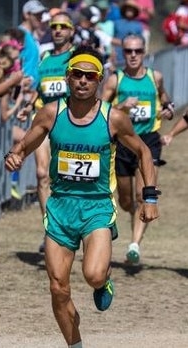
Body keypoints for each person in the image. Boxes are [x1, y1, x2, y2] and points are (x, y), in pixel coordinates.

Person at [4, 46, 159, 347]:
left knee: (93, 275)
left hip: (97, 207)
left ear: (99, 79)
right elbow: (26, 144)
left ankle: (104, 281)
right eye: (77, 74)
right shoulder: (51, 113)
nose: (83, 81)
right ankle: (75, 344)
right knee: (58, 288)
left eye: (90, 75)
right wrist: (15, 155)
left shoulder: (113, 118)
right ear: (68, 77)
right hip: (60, 207)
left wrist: (150, 197)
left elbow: (143, 151)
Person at [101, 34, 173, 265]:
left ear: (144, 52)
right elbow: (101, 110)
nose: (133, 55)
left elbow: (166, 99)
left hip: (149, 141)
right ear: (123, 53)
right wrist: (121, 107)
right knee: (125, 200)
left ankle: (134, 246)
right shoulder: (115, 79)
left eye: (137, 51)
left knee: (144, 195)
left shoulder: (155, 77)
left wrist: (168, 110)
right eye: (128, 51)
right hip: (123, 143)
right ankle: (132, 214)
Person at [26, 11, 76, 253]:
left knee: (66, 179)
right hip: (45, 122)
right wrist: (28, 103)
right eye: (54, 26)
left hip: (70, 124)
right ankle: (51, 230)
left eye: (63, 26)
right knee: (41, 174)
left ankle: (75, 227)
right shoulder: (45, 58)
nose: (57, 30)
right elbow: (39, 89)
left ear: (71, 31)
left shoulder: (76, 58)